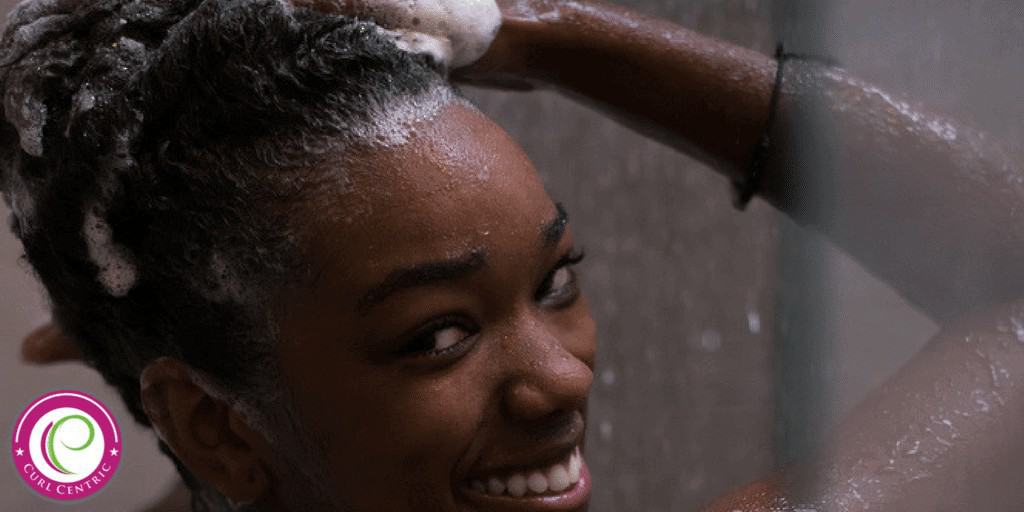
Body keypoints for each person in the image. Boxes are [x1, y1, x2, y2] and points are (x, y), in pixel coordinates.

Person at [3, 1, 1023, 511]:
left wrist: (151, 338)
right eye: (438, 334)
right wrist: (535, 31)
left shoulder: (225, 437)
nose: (559, 376)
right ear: (212, 420)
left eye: (556, 282)